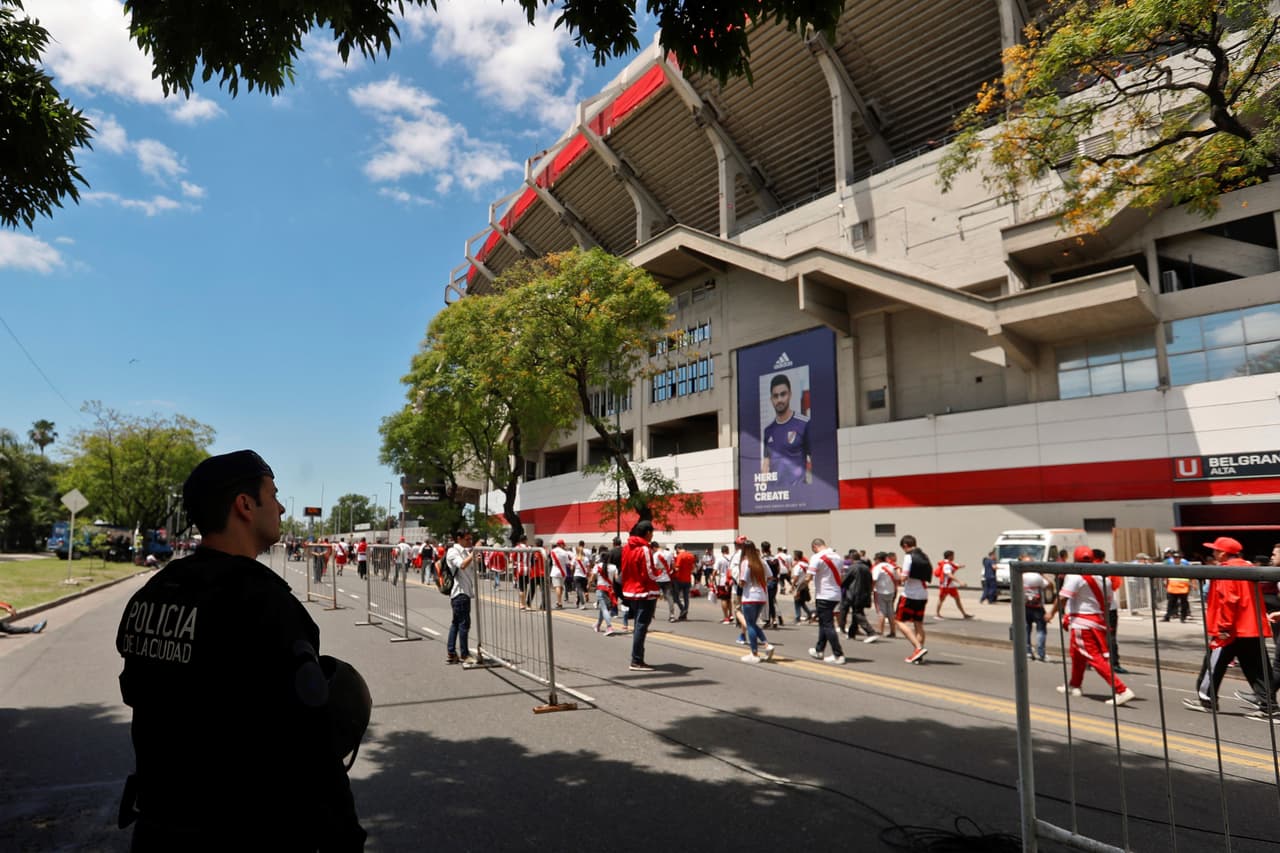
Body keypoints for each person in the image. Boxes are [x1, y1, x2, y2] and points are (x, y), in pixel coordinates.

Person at [115, 450, 365, 851]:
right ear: (245, 505)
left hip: (157, 828)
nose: (281, 508)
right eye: (274, 495)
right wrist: (345, 837)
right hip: (242, 831)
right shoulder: (263, 603)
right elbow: (311, 741)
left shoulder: (155, 592)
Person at [1185, 537, 1277, 719]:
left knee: (1212, 664)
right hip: (1250, 627)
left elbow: (1228, 600)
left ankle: (1206, 700)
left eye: (1215, 550)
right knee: (1258, 669)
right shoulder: (1249, 567)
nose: (1212, 553)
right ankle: (1269, 706)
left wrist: (1224, 627)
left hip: (1231, 629)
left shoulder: (1227, 570)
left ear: (1223, 553)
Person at [1045, 546, 1135, 706]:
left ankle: (1121, 690)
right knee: (1077, 654)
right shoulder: (1103, 576)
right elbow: (1108, 601)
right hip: (1096, 620)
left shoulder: (1075, 576)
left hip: (1082, 623)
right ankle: (1074, 685)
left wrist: (1051, 613)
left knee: (1094, 657)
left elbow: (1063, 597)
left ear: (1075, 559)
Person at [621, 520, 661, 671]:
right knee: (641, 626)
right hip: (645, 591)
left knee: (639, 625)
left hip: (631, 590)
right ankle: (636, 660)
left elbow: (624, 568)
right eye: (652, 533)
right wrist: (661, 574)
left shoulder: (627, 548)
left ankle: (637, 659)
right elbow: (649, 572)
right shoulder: (644, 549)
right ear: (648, 533)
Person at [761, 373, 810, 486]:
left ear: (790, 395)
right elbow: (766, 463)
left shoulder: (804, 424)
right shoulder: (768, 431)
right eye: (775, 396)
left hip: (799, 493)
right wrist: (763, 487)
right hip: (776, 493)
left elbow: (813, 459)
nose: (779, 399)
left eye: (783, 394)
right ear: (771, 399)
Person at [805, 538, 846, 665]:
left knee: (828, 625)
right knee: (823, 622)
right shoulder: (838, 557)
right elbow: (842, 576)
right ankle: (819, 650)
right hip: (835, 594)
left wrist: (798, 589)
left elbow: (808, 577)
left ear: (815, 546)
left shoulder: (817, 557)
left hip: (824, 595)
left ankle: (838, 654)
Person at [895, 535, 932, 663]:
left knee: (899, 621)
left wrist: (898, 571)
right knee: (918, 624)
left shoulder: (908, 556)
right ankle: (918, 656)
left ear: (905, 545)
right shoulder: (924, 556)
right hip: (923, 594)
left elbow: (903, 578)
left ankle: (918, 648)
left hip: (910, 594)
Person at [736, 540, 775, 663]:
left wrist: (739, 583)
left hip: (749, 596)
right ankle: (766, 645)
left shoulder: (745, 562)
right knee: (752, 623)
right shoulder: (761, 561)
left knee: (750, 624)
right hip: (761, 596)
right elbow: (770, 577)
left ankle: (755, 653)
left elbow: (742, 582)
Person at [446, 530, 478, 664]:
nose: (470, 542)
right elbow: (462, 565)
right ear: (459, 539)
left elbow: (469, 568)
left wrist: (474, 558)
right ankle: (464, 654)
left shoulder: (464, 552)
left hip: (465, 592)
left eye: (471, 539)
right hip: (460, 593)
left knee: (456, 623)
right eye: (467, 539)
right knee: (464, 624)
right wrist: (473, 553)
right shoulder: (453, 552)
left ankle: (451, 652)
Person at [1021, 556, 1052, 662]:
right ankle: (1040, 653)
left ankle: (1028, 652)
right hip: (1038, 607)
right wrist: (1042, 574)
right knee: (1041, 630)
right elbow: (1049, 585)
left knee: (1026, 630)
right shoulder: (1037, 576)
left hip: (1024, 607)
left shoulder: (1019, 576)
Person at [934, 550, 973, 619]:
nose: (954, 557)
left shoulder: (950, 564)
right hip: (945, 585)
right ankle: (937, 614)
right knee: (941, 599)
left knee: (957, 599)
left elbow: (955, 566)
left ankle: (964, 614)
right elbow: (949, 575)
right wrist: (960, 582)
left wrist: (961, 566)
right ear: (949, 556)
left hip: (951, 585)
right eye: (953, 555)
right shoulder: (946, 565)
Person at [870, 552, 897, 638]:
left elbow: (874, 579)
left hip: (881, 591)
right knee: (890, 612)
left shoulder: (878, 567)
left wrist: (871, 589)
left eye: (875, 559)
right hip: (891, 591)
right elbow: (897, 578)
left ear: (878, 559)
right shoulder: (891, 567)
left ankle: (880, 631)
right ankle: (893, 631)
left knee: (881, 611)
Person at [1163, 551, 1191, 623]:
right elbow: (1167, 575)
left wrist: (1193, 584)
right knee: (1171, 604)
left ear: (1180, 558)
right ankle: (1167, 617)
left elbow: (1191, 575)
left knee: (1183, 604)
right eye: (1175, 557)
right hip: (1173, 588)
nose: (1176, 559)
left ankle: (1183, 617)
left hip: (1183, 588)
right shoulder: (1171, 567)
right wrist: (1165, 581)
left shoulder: (1185, 567)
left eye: (1178, 557)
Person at [792, 549, 815, 624]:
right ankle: (809, 614)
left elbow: (796, 577)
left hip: (799, 585)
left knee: (797, 602)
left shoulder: (798, 566)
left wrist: (792, 586)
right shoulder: (806, 565)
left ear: (796, 556)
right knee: (801, 602)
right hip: (805, 585)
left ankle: (797, 617)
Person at [673, 544, 695, 621]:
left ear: (677, 549)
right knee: (686, 598)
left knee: (675, 597)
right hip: (688, 579)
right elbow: (693, 567)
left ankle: (682, 609)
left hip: (679, 579)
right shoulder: (691, 556)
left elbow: (677, 568)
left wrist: (672, 567)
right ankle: (684, 613)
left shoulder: (680, 556)